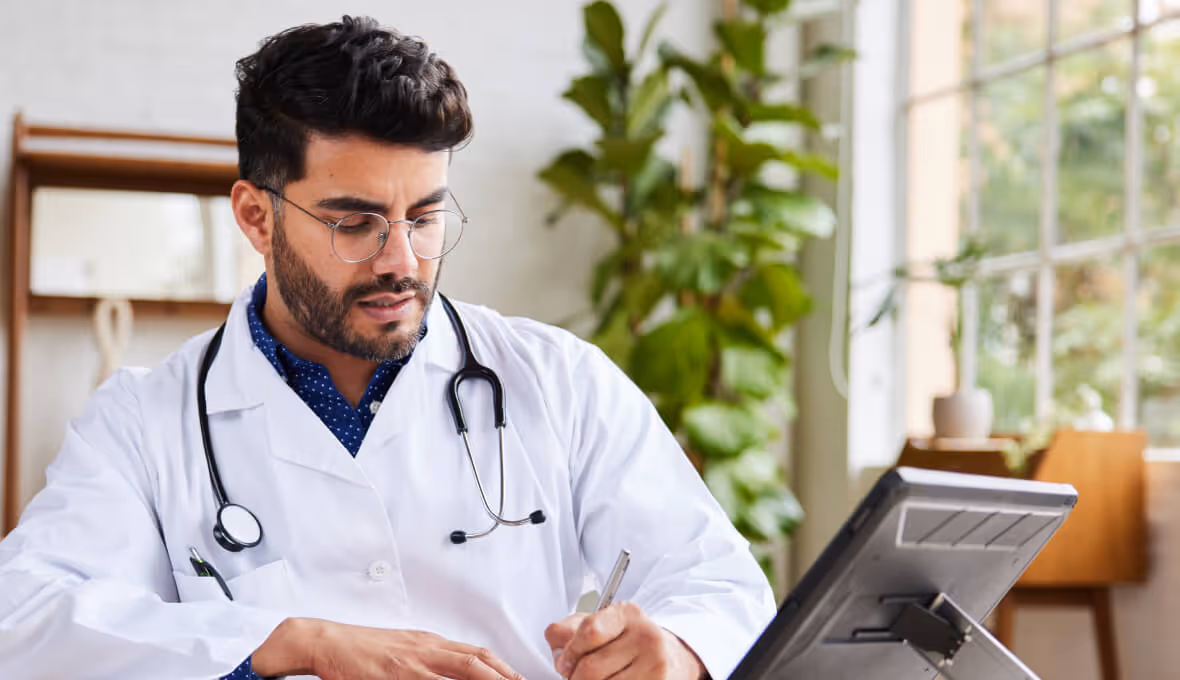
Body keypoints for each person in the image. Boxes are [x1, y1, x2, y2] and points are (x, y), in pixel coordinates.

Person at [0, 16, 774, 680]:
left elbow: (722, 583)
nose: (401, 259)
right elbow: (25, 619)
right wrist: (298, 641)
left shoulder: (557, 379)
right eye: (354, 223)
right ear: (256, 218)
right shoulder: (144, 421)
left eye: (425, 217)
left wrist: (675, 648)